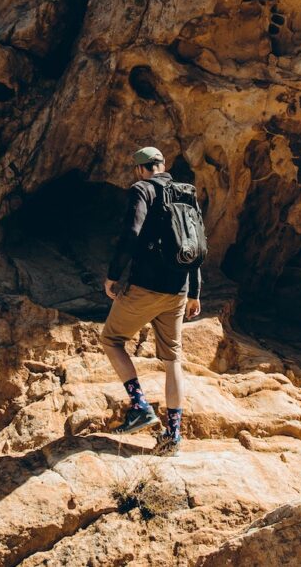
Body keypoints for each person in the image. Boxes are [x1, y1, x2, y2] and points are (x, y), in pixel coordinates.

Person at [99, 146, 202, 457]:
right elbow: (196, 241)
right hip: (179, 290)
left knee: (111, 340)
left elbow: (132, 232)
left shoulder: (142, 189)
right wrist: (195, 291)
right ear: (163, 165)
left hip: (146, 286)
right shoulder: (186, 191)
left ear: (139, 169)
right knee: (173, 360)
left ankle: (140, 405)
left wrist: (113, 275)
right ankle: (172, 434)